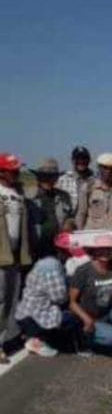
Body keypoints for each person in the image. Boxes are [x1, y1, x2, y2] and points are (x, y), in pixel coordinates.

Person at [15, 232, 83, 357]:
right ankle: (36, 338)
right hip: (34, 316)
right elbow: (59, 297)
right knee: (74, 317)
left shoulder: (44, 262)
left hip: (26, 312)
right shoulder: (52, 266)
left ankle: (36, 335)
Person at [0, 153, 33, 364]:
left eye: (17, 169)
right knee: (0, 299)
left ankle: (5, 338)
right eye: (12, 170)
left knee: (11, 299)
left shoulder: (19, 193)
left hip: (14, 253)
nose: (17, 173)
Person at [28, 158, 74, 258]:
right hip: (36, 249)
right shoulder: (29, 197)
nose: (48, 180)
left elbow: (70, 217)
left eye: (52, 177)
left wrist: (69, 224)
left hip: (60, 248)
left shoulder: (64, 196)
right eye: (44, 177)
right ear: (38, 177)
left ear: (56, 178)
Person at [75, 152, 112, 230]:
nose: (109, 171)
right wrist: (80, 233)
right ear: (99, 168)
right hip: (93, 233)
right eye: (105, 168)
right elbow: (81, 213)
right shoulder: (88, 187)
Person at [57, 146, 94, 212]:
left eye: (84, 158)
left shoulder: (96, 181)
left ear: (89, 160)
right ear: (72, 160)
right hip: (68, 217)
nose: (81, 161)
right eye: (78, 159)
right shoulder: (62, 180)